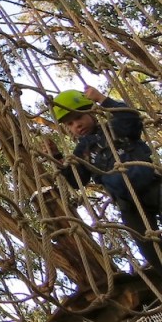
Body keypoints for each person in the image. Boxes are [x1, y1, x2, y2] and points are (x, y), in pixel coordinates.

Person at [51, 86, 162, 268]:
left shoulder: (114, 127)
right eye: (69, 124)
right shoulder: (82, 151)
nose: (76, 125)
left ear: (91, 111)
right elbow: (75, 180)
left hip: (153, 185)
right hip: (129, 203)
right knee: (148, 246)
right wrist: (57, 158)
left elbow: (131, 118)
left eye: (78, 117)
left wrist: (102, 99)